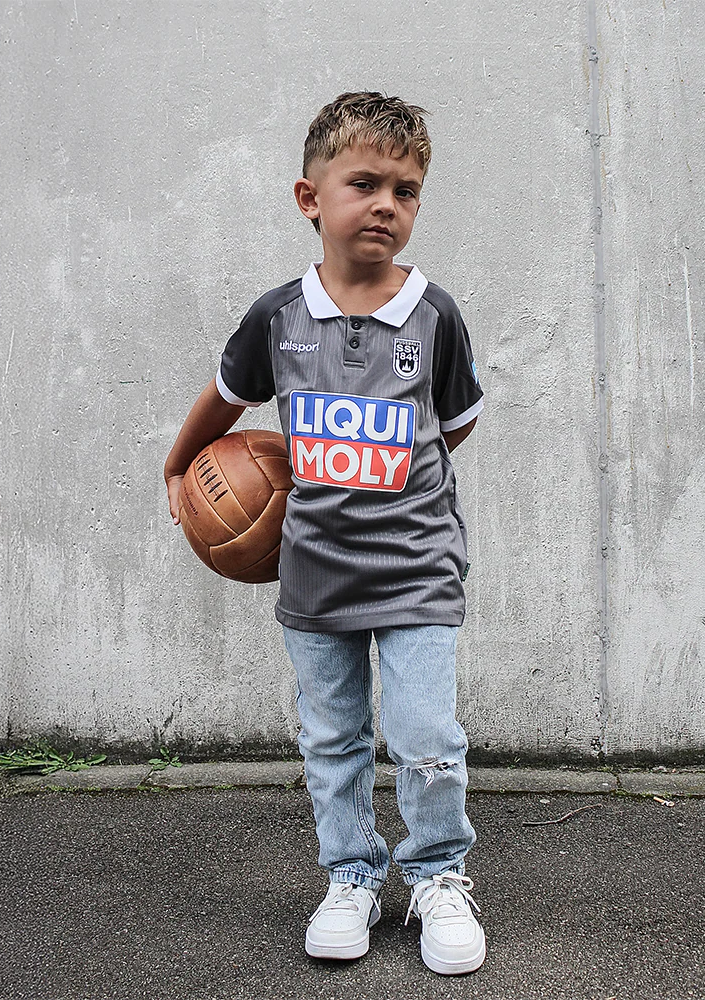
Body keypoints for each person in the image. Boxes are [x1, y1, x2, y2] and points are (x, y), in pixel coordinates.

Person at [164, 92, 485, 975]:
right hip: (313, 570)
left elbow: (451, 426)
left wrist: (389, 480)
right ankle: (351, 877)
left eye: (406, 191)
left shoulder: (434, 313)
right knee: (332, 741)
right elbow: (227, 399)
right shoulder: (278, 317)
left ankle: (438, 875)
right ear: (310, 198)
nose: (387, 204)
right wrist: (177, 466)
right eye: (365, 184)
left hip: (418, 567)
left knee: (426, 738)